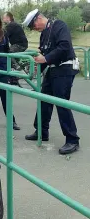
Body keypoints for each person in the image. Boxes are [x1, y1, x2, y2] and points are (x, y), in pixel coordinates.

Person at [22, 9, 80, 155]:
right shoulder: (44, 34)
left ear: (38, 19)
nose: (34, 29)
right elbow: (43, 55)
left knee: (61, 102)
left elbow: (64, 46)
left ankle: (72, 139)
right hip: (53, 69)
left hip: (65, 67)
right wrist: (34, 72)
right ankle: (42, 131)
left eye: (33, 26)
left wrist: (46, 59)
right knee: (43, 99)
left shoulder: (59, 25)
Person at [2, 12, 28, 84]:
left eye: (4, 18)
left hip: (20, 44)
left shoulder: (11, 25)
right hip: (20, 44)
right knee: (10, 62)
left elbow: (3, 34)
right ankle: (14, 79)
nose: (3, 19)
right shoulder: (13, 25)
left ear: (8, 18)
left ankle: (17, 67)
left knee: (9, 54)